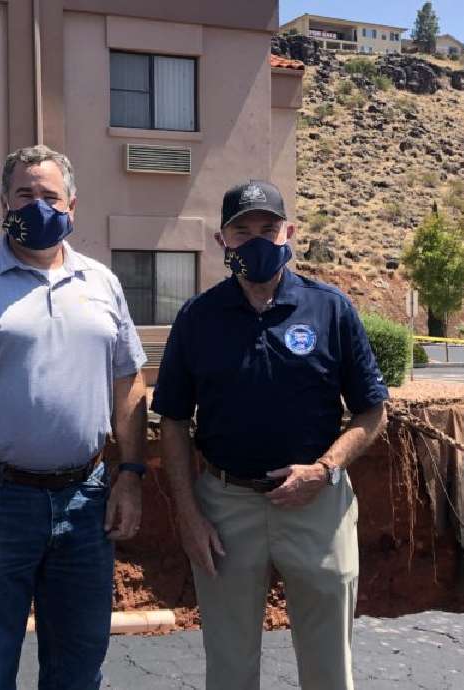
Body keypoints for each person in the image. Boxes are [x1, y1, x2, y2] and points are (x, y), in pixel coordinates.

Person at [0, 145, 148, 690]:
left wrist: (131, 474)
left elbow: (129, 382)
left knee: (79, 667)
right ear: (4, 203)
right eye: (25, 194)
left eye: (50, 196)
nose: (38, 205)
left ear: (72, 205)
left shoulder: (102, 284)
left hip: (85, 501)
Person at [151, 179, 389, 690]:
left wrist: (325, 470)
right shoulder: (198, 318)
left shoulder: (331, 309)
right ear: (222, 240)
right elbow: (172, 419)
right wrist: (189, 515)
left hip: (317, 506)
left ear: (290, 233)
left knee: (329, 669)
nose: (257, 241)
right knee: (230, 669)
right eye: (243, 232)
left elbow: (373, 412)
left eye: (268, 229)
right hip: (225, 507)